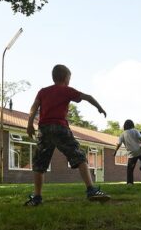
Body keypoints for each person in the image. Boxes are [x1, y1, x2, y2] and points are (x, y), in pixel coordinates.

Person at [24, 64, 110, 206]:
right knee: (79, 156)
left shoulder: (43, 91)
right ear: (66, 78)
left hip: (44, 130)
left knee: (39, 164)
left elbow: (34, 108)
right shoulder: (66, 90)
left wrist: (29, 124)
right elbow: (87, 97)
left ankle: (37, 197)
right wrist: (99, 107)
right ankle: (91, 190)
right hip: (60, 128)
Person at [115, 119, 141, 185]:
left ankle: (130, 183)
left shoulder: (122, 134)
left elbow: (119, 144)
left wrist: (115, 151)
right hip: (140, 151)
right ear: (132, 125)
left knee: (130, 169)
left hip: (132, 154)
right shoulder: (135, 131)